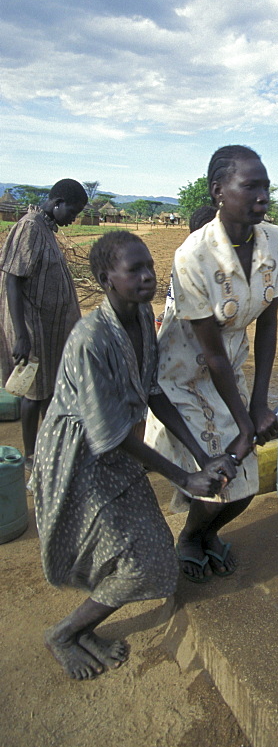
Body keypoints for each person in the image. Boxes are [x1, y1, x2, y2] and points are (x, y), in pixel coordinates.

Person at [31, 231, 228, 681]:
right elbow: (110, 431)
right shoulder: (90, 338)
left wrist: (199, 457)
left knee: (153, 551)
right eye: (134, 270)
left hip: (117, 447)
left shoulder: (141, 317)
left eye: (150, 268)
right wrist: (182, 477)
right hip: (79, 456)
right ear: (105, 279)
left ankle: (81, 627)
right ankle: (65, 633)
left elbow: (152, 390)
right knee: (133, 557)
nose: (146, 278)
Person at [145, 145, 278, 582]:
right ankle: (191, 538)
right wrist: (245, 423)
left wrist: (259, 404)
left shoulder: (275, 241)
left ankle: (199, 533)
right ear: (219, 192)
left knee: (243, 479)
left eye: (265, 186)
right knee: (215, 469)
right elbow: (208, 353)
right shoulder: (194, 256)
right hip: (184, 373)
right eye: (251, 186)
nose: (263, 196)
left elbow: (268, 323)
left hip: (230, 365)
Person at [0, 179, 88, 466]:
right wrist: (21, 335)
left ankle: (47, 447)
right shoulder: (30, 227)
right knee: (33, 392)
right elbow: (13, 279)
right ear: (58, 201)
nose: (74, 219)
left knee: (48, 390)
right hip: (32, 325)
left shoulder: (46, 229)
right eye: (73, 211)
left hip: (48, 328)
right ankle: (29, 455)